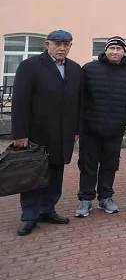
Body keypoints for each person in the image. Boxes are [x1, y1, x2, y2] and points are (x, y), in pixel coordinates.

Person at [11, 30, 82, 236]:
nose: (62, 48)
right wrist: (20, 133)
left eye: (66, 44)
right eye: (57, 44)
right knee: (33, 173)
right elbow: (20, 102)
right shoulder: (30, 66)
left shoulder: (75, 69)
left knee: (56, 172)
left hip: (63, 133)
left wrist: (76, 129)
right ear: (47, 44)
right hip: (37, 132)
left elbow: (78, 102)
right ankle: (29, 215)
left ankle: (48, 209)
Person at [76, 36, 126, 217]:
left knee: (110, 165)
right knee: (88, 165)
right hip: (90, 128)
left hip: (115, 129)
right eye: (112, 48)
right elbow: (80, 97)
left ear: (123, 52)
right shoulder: (89, 69)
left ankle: (105, 197)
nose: (115, 52)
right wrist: (83, 120)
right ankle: (85, 199)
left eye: (119, 49)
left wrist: (125, 118)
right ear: (105, 50)